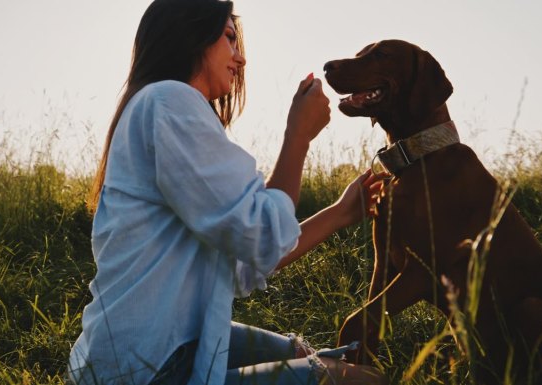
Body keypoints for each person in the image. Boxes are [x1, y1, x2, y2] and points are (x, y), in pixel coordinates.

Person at [67, 1, 387, 384]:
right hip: (149, 367)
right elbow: (261, 236)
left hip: (157, 346)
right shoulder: (169, 101)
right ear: (192, 35)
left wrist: (340, 212)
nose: (241, 59)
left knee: (301, 353)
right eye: (230, 39)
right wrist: (297, 135)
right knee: (364, 381)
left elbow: (242, 260)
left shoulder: (160, 107)